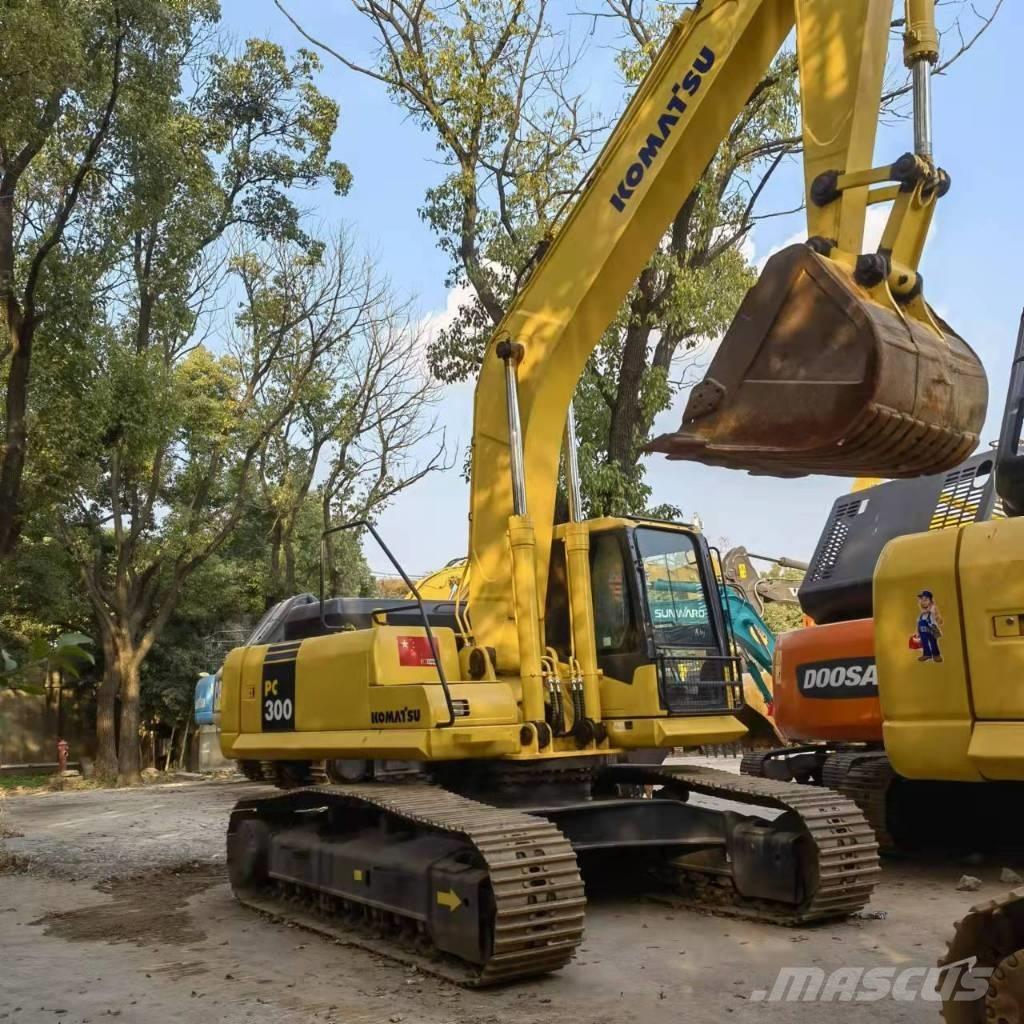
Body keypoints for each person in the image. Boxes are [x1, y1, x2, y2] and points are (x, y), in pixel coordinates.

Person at [916, 590, 943, 663]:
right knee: (924, 642)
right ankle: (927, 654)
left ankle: (936, 655)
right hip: (922, 631)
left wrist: (938, 618)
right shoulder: (921, 615)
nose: (923, 602)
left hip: (931, 629)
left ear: (930, 601)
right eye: (921, 600)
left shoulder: (933, 610)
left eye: (925, 600)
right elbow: (918, 624)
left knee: (933, 642)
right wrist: (917, 632)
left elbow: (940, 620)